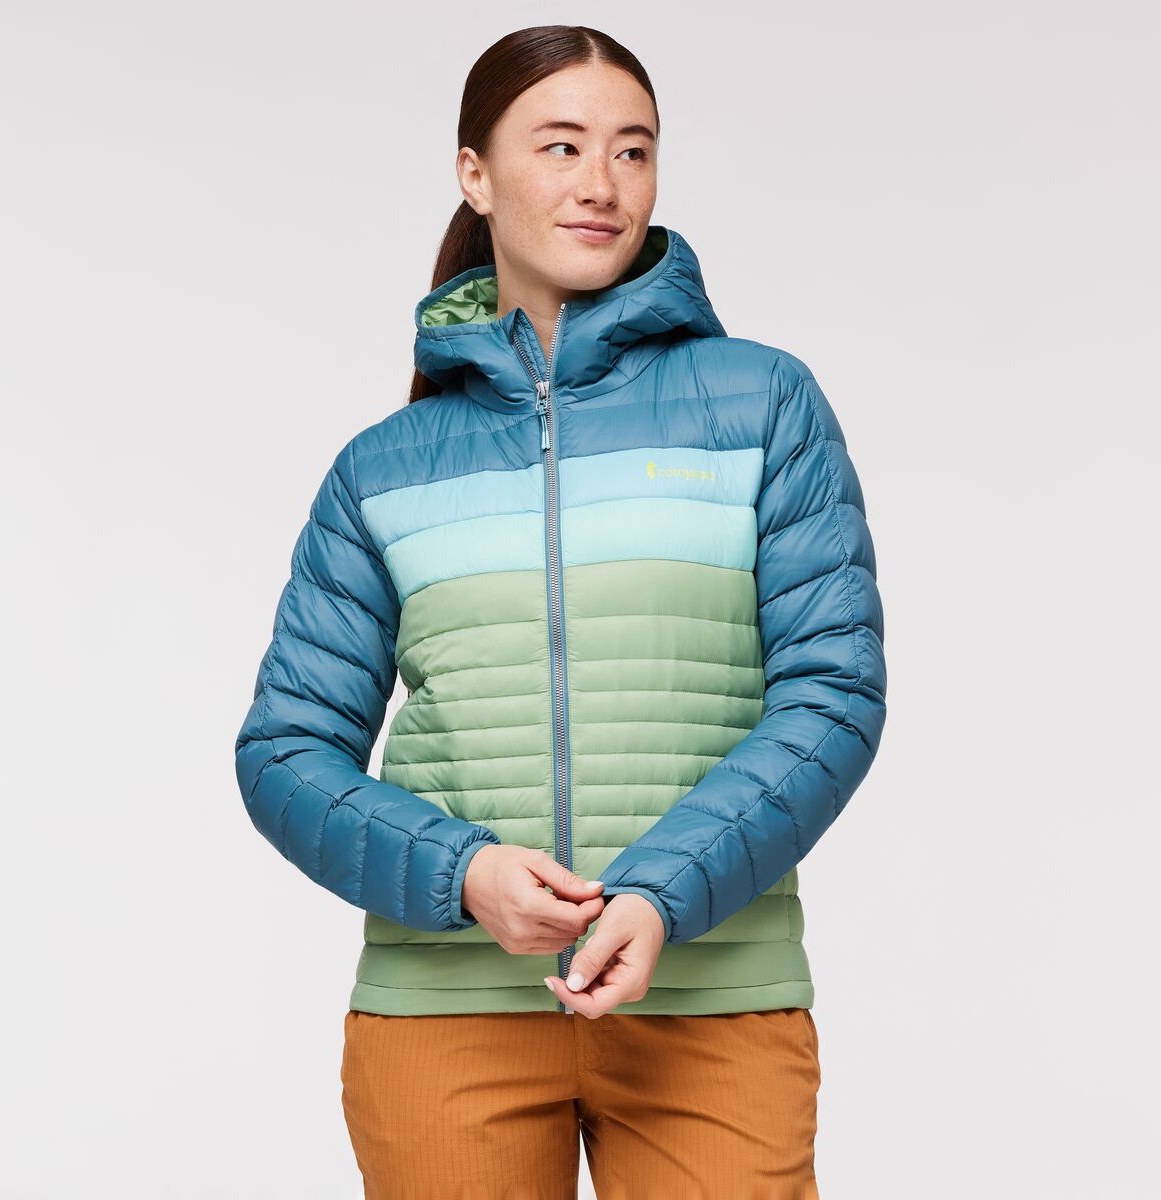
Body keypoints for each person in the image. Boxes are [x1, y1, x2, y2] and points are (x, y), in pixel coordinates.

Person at [234, 23, 887, 1200]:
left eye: (634, 150)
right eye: (562, 145)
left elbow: (831, 697)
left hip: (712, 1000)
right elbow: (285, 753)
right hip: (447, 1014)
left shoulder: (763, 405)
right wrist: (463, 873)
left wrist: (663, 890)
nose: (602, 184)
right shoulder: (384, 466)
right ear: (475, 174)